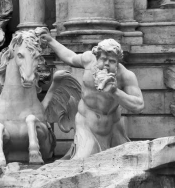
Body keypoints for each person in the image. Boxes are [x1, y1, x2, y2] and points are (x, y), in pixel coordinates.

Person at [38, 28, 144, 159]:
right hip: (86, 124)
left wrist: (115, 91)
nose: (106, 64)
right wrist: (50, 40)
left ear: (118, 62)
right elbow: (70, 57)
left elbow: (139, 105)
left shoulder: (126, 76)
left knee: (126, 163)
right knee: (82, 162)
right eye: (103, 59)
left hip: (113, 127)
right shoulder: (88, 59)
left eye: (111, 61)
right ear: (97, 57)